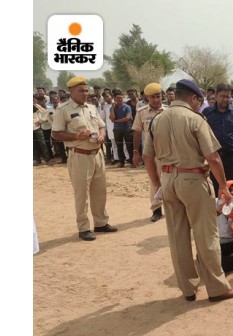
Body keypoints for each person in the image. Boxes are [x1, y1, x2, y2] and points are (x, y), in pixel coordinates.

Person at [142, 79, 233, 302]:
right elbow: (213, 157)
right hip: (194, 179)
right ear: (193, 98)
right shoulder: (195, 119)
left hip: (168, 179)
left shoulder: (158, 119)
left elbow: (148, 156)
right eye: (199, 100)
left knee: (178, 236)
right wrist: (223, 186)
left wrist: (157, 184)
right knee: (206, 235)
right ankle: (217, 288)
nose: (200, 105)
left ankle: (188, 288)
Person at [51, 76, 117, 241]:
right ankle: (83, 227)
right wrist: (77, 136)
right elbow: (55, 134)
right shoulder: (63, 109)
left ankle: (101, 223)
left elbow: (102, 126)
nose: (85, 93)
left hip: (97, 155)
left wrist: (102, 135)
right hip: (79, 155)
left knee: (99, 191)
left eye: (87, 90)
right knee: (82, 194)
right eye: (81, 91)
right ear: (71, 91)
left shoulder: (91, 107)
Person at [132, 82, 166, 222]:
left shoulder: (169, 111)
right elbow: (137, 132)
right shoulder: (141, 112)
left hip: (168, 153)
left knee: (171, 180)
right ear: (147, 98)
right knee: (154, 181)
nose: (156, 99)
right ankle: (156, 209)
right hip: (152, 154)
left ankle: (172, 208)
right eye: (153, 97)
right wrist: (135, 151)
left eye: (158, 96)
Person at [202, 83, 233, 196]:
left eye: (227, 96)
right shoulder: (207, 112)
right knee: (215, 186)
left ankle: (232, 207)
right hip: (214, 156)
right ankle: (218, 206)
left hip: (232, 155)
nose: (225, 99)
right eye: (222, 96)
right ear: (216, 96)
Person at [109, 90, 134, 168]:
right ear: (114, 99)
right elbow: (112, 118)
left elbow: (127, 118)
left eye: (121, 98)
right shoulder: (113, 108)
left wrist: (116, 121)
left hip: (127, 128)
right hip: (117, 129)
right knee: (119, 146)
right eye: (118, 98)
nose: (120, 99)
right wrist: (112, 108)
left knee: (129, 146)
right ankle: (121, 162)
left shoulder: (127, 107)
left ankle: (132, 162)